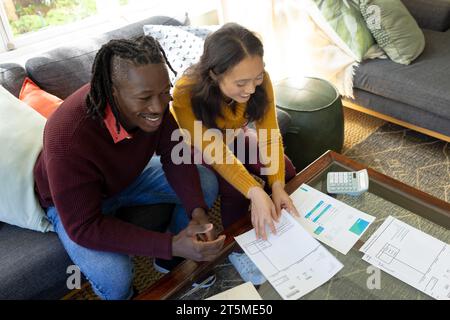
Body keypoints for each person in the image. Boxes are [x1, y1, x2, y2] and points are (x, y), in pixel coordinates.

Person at [33, 35, 225, 300]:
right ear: (114, 92)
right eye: (145, 97)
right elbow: (84, 226)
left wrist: (197, 213)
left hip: (122, 182)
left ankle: (171, 259)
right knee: (116, 278)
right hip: (73, 206)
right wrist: (169, 245)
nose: (158, 107)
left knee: (205, 183)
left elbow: (174, 153)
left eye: (163, 92)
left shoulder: (155, 103)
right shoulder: (67, 137)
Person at [171, 23, 300, 285]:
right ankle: (238, 249)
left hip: (231, 136)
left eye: (257, 77)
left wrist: (275, 186)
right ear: (214, 75)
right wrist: (254, 190)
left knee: (283, 170)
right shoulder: (185, 92)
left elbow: (269, 135)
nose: (252, 89)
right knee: (234, 187)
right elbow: (216, 153)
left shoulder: (258, 82)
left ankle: (283, 222)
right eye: (241, 82)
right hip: (195, 144)